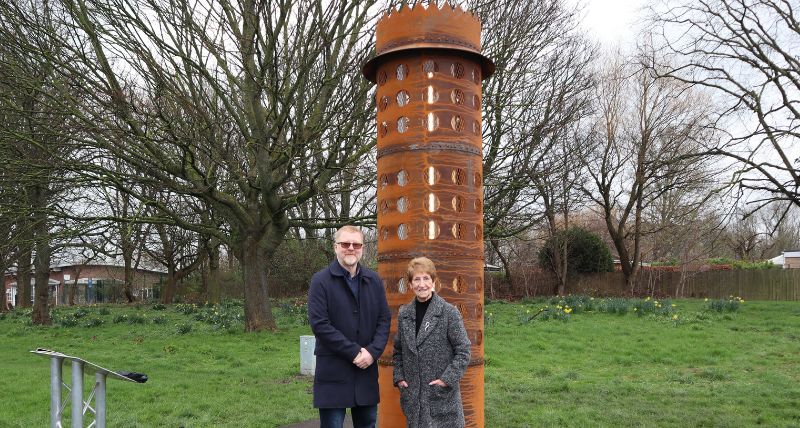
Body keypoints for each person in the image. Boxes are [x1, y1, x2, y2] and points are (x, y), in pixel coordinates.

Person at [308, 225, 391, 428]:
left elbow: (384, 320)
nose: (351, 248)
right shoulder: (320, 281)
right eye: (345, 244)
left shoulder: (374, 281)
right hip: (333, 370)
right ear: (336, 247)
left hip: (366, 371)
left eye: (356, 244)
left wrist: (372, 353)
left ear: (362, 248)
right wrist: (355, 352)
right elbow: (320, 324)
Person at [393, 257, 471, 428]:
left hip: (441, 399)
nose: (422, 284)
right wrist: (399, 378)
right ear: (410, 284)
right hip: (414, 398)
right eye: (417, 279)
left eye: (426, 278)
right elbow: (398, 351)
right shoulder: (404, 314)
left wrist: (446, 380)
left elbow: (464, 351)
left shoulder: (449, 312)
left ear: (434, 281)